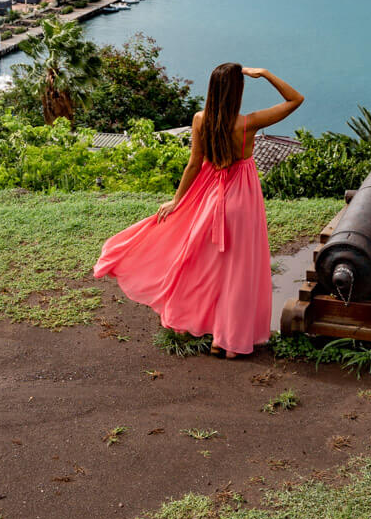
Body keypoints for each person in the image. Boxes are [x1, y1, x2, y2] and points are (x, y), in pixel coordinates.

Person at [94, 64, 304, 358]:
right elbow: (296, 99)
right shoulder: (248, 123)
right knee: (238, 274)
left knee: (210, 268)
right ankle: (227, 341)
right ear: (237, 91)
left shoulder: (200, 119)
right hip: (242, 201)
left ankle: (206, 326)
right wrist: (267, 73)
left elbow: (194, 164)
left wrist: (176, 201)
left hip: (212, 199)